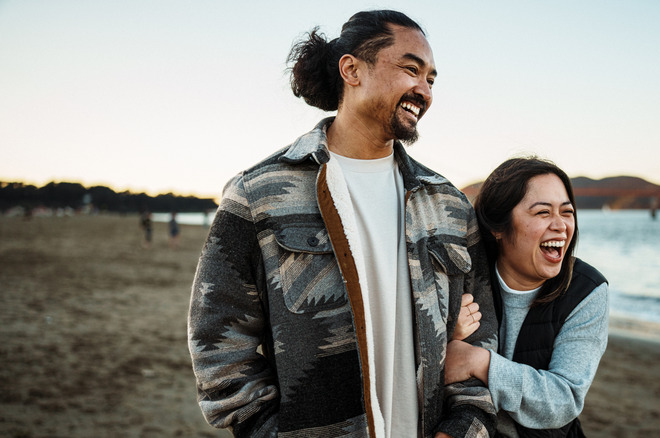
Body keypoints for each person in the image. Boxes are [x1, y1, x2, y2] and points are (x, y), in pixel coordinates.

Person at [187, 10, 498, 438]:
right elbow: (219, 344)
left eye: (431, 78)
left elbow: (481, 337)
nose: (423, 90)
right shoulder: (257, 195)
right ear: (351, 69)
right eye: (411, 69)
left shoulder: (448, 204)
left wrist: (463, 428)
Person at [444, 157, 609, 437]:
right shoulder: (460, 276)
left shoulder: (587, 290)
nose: (560, 225)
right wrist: (447, 333)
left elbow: (563, 399)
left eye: (566, 212)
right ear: (498, 226)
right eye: (543, 212)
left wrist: (481, 362)